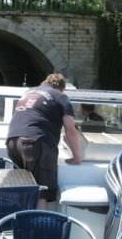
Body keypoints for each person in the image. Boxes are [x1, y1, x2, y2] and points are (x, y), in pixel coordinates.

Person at [5, 73, 83, 209]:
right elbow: (70, 129)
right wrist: (77, 157)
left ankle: (19, 227)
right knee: (42, 192)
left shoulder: (28, 92)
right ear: (61, 87)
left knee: (23, 188)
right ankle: (39, 229)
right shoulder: (60, 96)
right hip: (35, 142)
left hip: (13, 141)